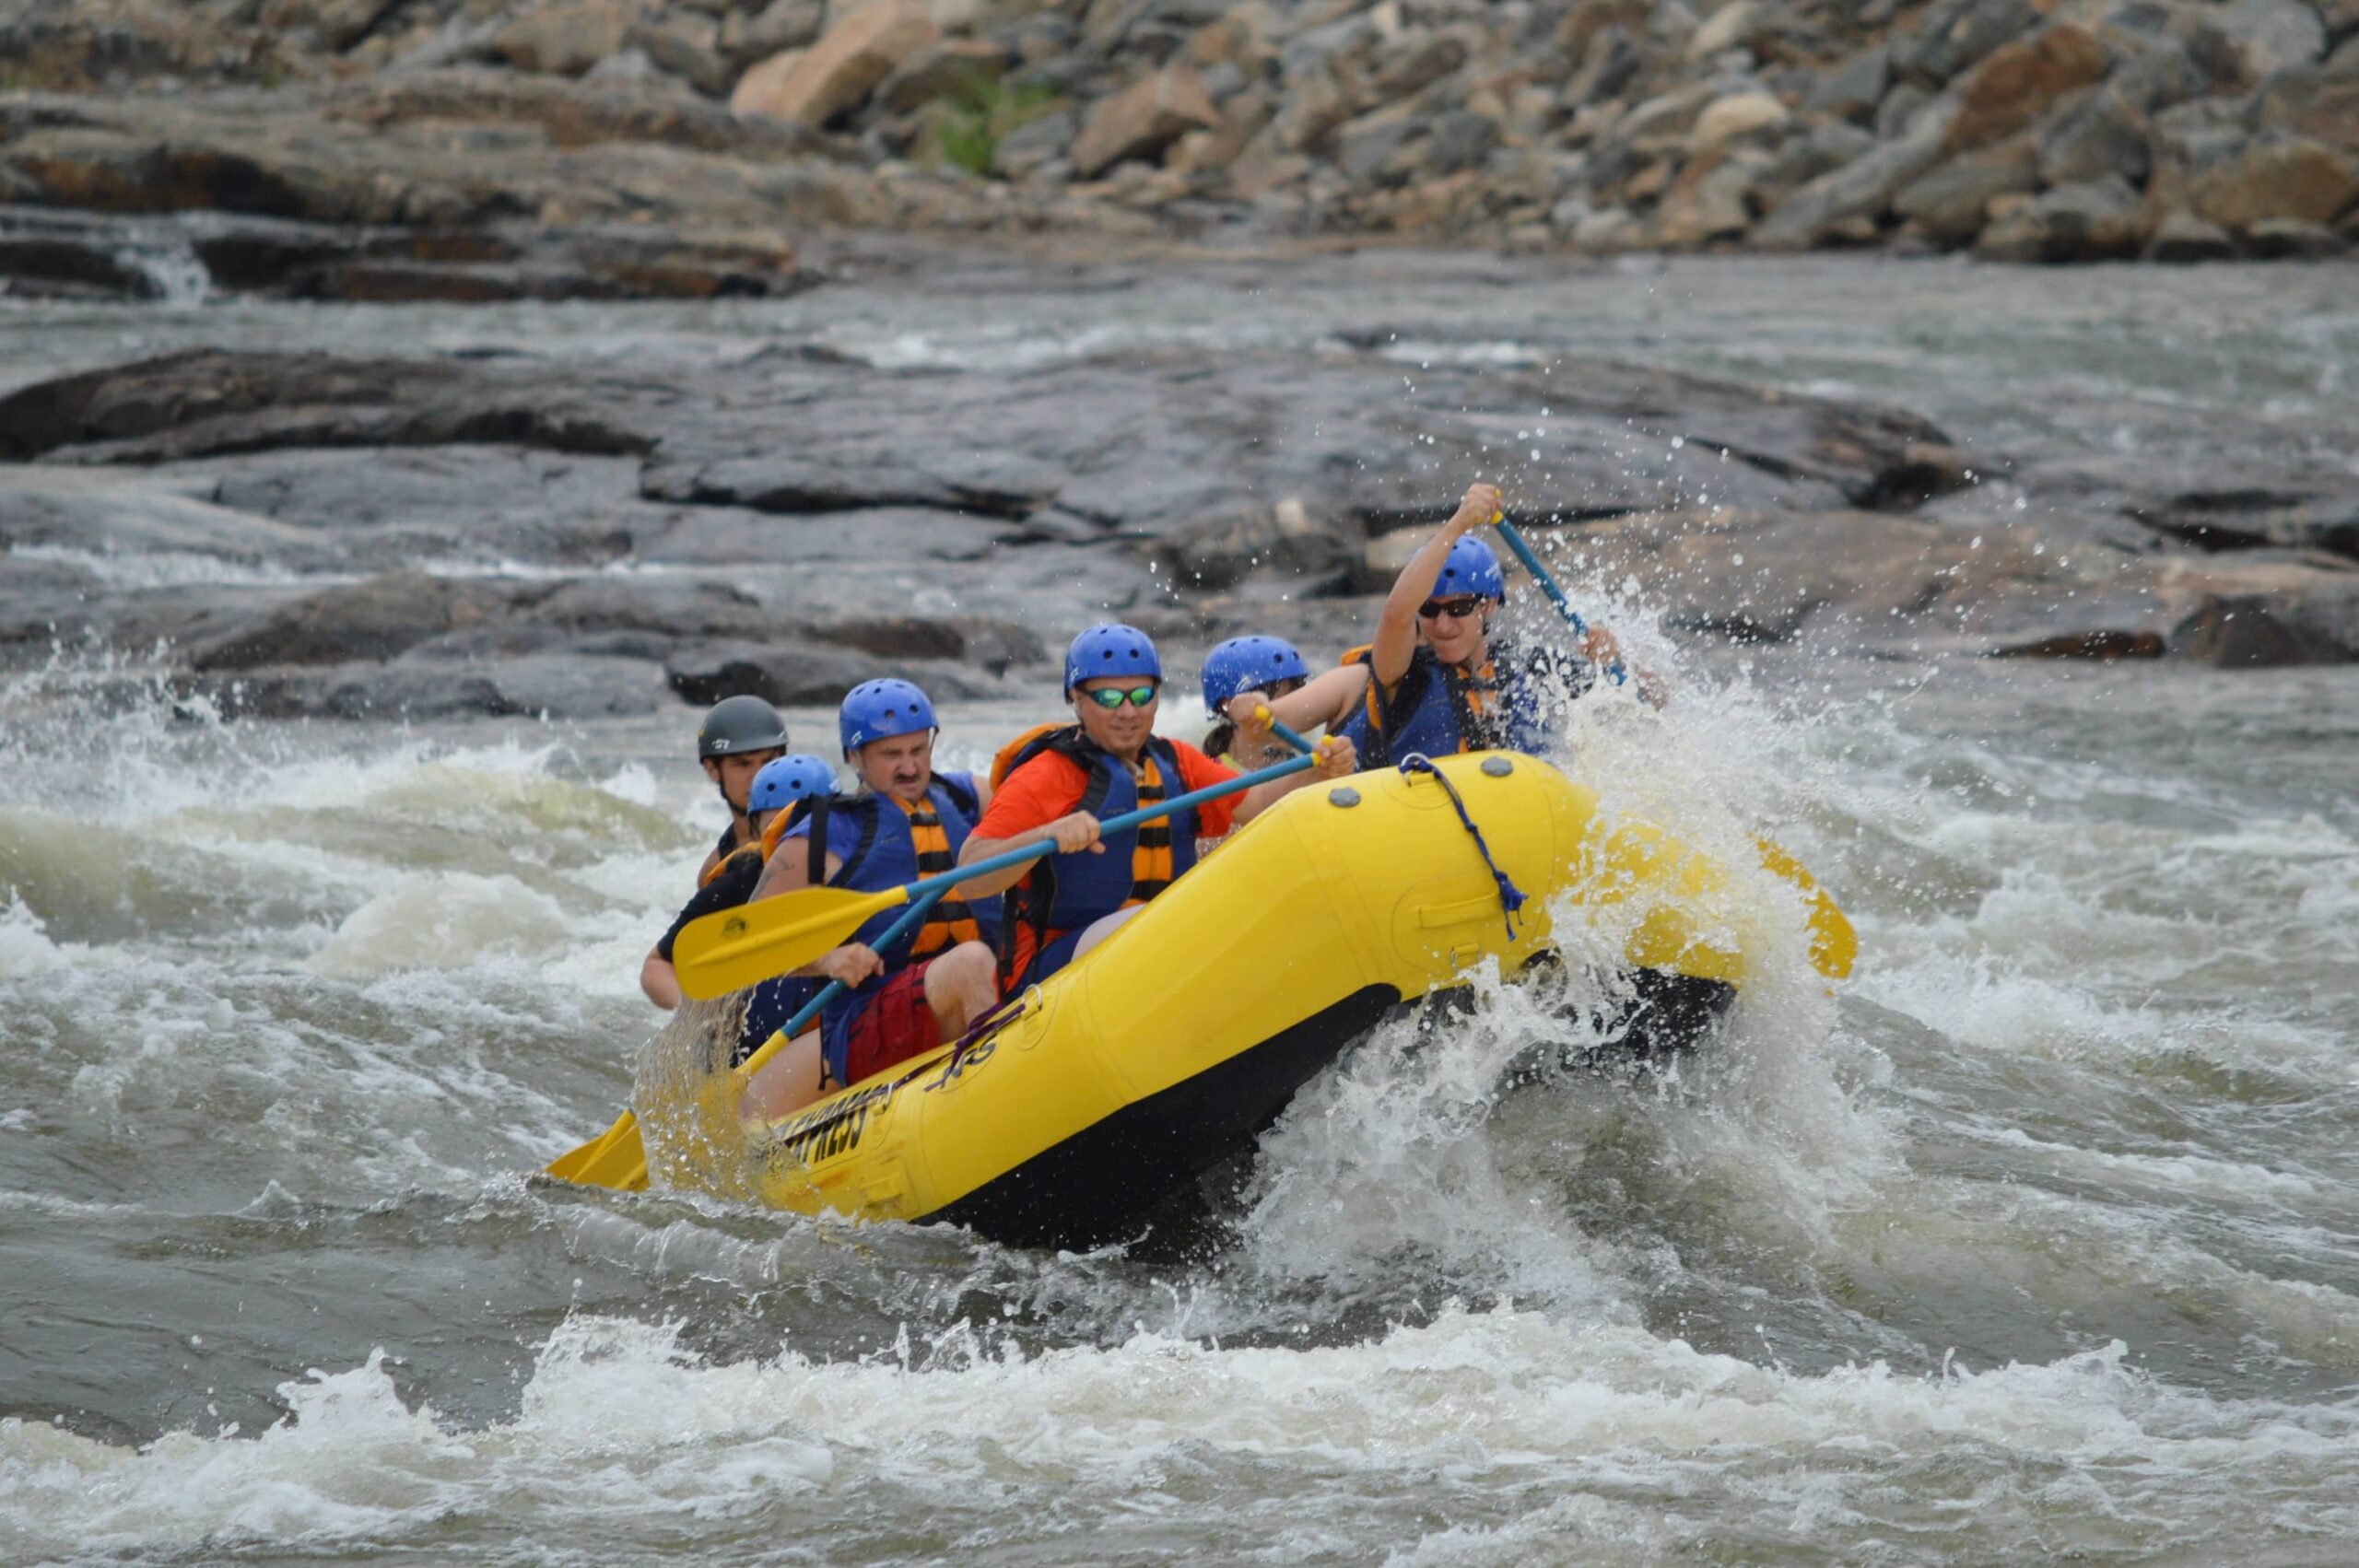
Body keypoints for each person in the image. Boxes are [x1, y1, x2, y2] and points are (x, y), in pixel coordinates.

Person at [958, 624, 1357, 989]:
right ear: (1077, 699)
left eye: (1141, 696)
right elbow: (970, 877)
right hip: (1054, 970)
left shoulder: (1175, 762)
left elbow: (1257, 803)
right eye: (1110, 698)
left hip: (1160, 949)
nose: (1128, 712)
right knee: (1162, 923)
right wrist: (1045, 834)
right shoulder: (1046, 774)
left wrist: (1318, 771)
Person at [1253, 481, 1634, 766]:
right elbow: (1396, 615)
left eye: (1459, 608)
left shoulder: (1531, 665)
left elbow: (1649, 705)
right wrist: (1459, 523)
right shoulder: (1402, 675)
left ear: (1488, 607)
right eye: (1430, 610)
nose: (1443, 624)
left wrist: (1615, 664)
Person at [753, 679, 1003, 1100]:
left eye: (918, 750)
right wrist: (827, 959)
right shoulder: (828, 832)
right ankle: (997, 1096)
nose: (909, 767)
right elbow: (754, 940)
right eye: (891, 755)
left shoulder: (965, 796)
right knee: (973, 963)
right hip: (868, 1022)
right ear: (854, 757)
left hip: (963, 990)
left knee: (990, 961)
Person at [640, 752, 837, 1073]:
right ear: (758, 832)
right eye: (776, 831)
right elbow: (657, 965)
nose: (791, 844)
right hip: (753, 1053)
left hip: (827, 1036)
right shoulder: (739, 883)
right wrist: (701, 1014)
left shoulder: (867, 866)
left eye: (802, 829)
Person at [689, 695, 791, 886]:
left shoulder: (819, 830)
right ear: (712, 770)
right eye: (743, 764)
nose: (759, 776)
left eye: (768, 761)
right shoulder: (714, 873)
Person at [1198, 635, 1312, 769]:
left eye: (1296, 702)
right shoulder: (1210, 775)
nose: (1296, 715)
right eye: (1282, 703)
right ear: (1229, 705)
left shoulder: (1303, 763)